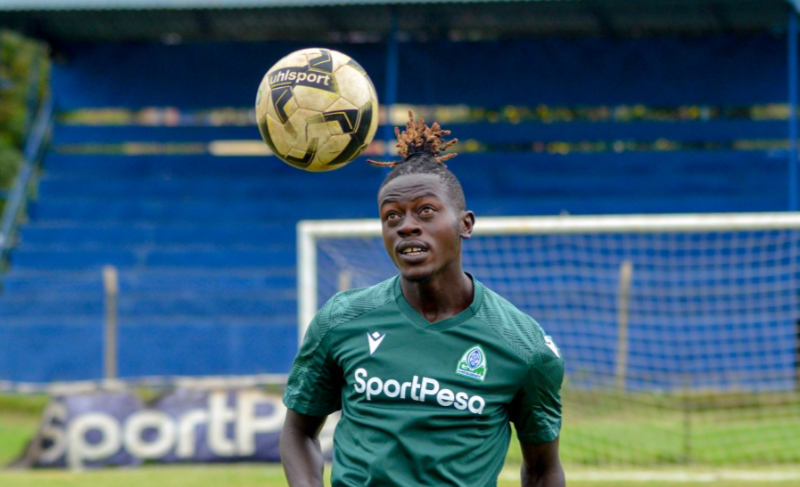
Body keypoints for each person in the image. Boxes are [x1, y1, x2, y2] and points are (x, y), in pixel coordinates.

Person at [280, 111, 565, 486]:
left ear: (465, 224)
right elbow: (298, 432)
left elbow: (543, 469)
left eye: (426, 211)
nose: (407, 225)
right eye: (392, 216)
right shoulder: (342, 319)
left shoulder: (524, 347)